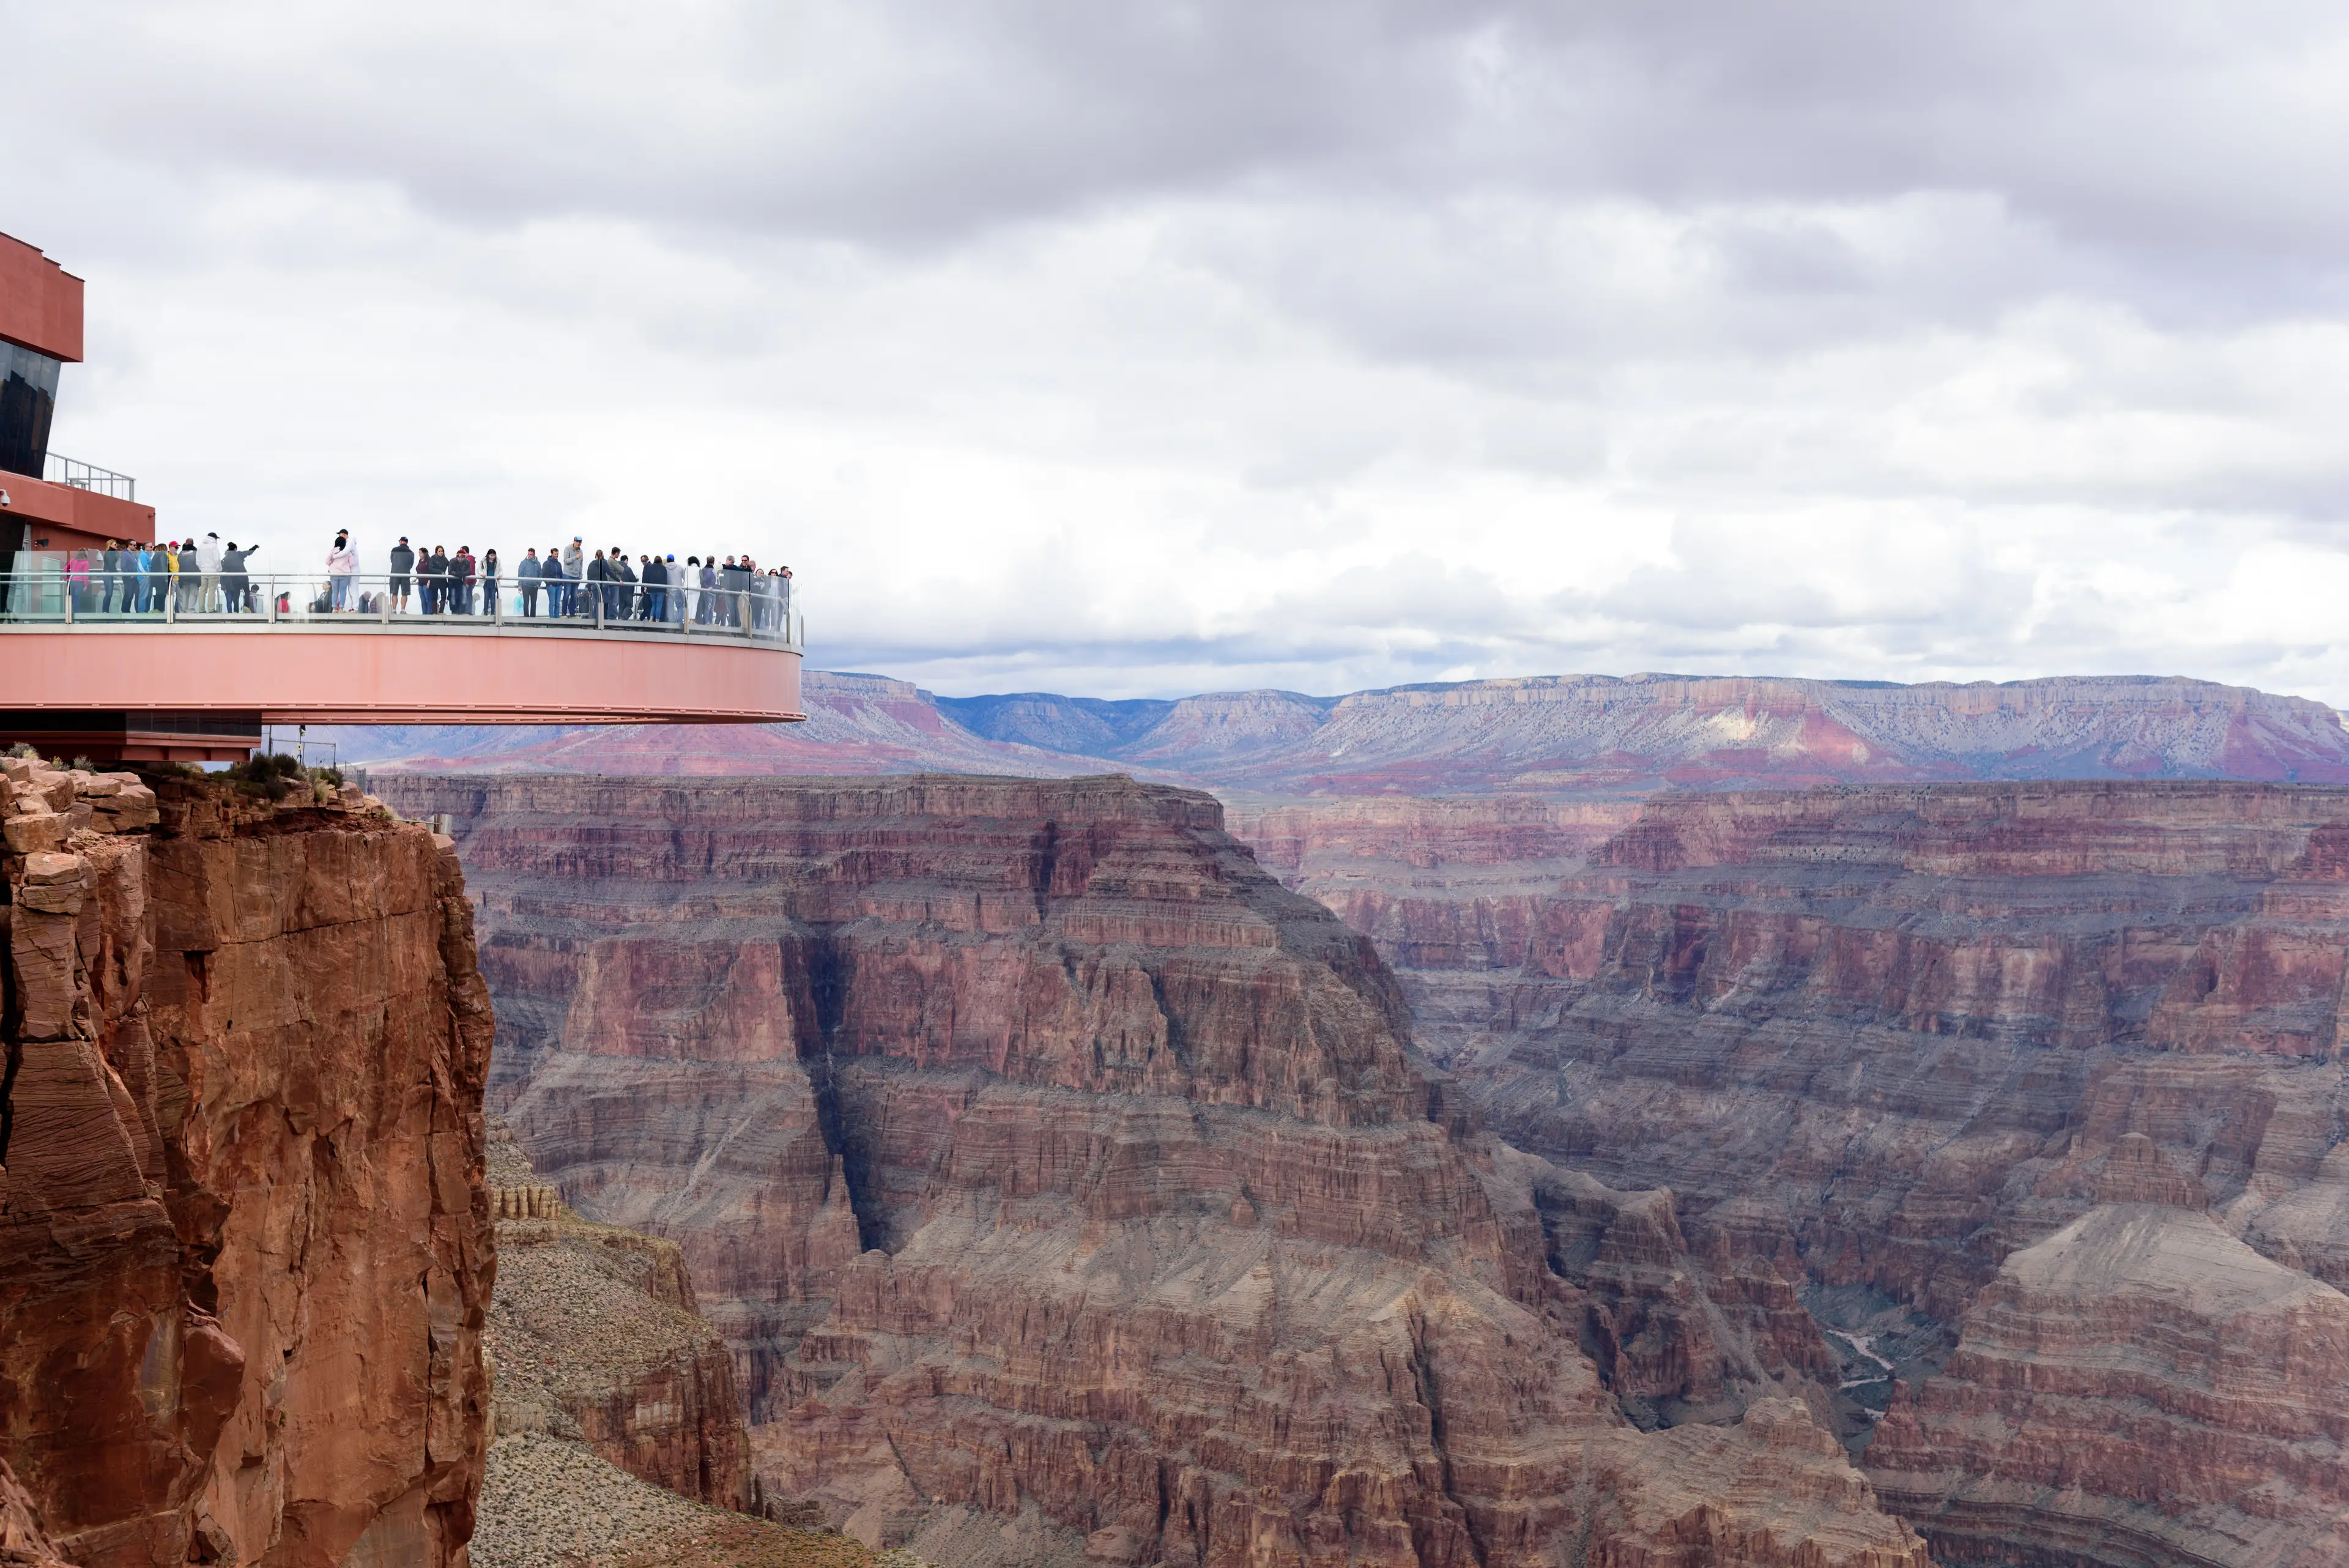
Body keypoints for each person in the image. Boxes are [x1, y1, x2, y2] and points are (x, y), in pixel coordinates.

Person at [221, 541, 258, 613]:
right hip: (243, 576)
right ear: (235, 549)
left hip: (234, 578)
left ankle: (236, 611)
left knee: (236, 594)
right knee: (247, 591)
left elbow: (224, 570)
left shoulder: (226, 559)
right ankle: (246, 606)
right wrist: (256, 546)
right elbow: (249, 552)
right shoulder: (238, 554)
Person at [326, 531, 357, 611]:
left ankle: (334, 608)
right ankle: (341, 608)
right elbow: (352, 563)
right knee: (343, 591)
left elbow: (327, 561)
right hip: (345, 574)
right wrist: (346, 566)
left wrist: (331, 564)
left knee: (335, 591)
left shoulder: (333, 551)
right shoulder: (347, 552)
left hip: (334, 573)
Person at [388, 537, 415, 614]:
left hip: (395, 574)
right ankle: (403, 610)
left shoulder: (394, 550)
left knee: (394, 593)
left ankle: (394, 611)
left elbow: (392, 560)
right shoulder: (411, 552)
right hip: (405, 574)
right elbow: (411, 564)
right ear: (407, 542)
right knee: (405, 593)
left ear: (400, 542)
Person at [198, 532, 224, 611]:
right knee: (212, 590)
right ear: (214, 538)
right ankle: (211, 609)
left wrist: (202, 568)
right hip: (213, 570)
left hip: (203, 571)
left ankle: (201, 609)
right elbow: (217, 559)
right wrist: (219, 570)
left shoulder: (201, 546)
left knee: (203, 590)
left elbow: (198, 560)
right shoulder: (214, 546)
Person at [450, 546, 477, 616]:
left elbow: (470, 571)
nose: (460, 558)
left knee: (466, 596)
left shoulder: (469, 560)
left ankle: (466, 612)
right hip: (457, 582)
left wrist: (466, 580)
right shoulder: (453, 561)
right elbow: (451, 570)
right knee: (457, 596)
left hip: (466, 582)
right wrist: (459, 575)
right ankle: (457, 611)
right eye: (459, 557)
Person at [517, 548, 541, 617]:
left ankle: (533, 618)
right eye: (528, 554)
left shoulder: (538, 563)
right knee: (526, 603)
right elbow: (520, 574)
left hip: (534, 586)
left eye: (531, 554)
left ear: (534, 555)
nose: (529, 555)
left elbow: (540, 574)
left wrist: (539, 583)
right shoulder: (524, 563)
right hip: (526, 585)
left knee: (534, 603)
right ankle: (526, 617)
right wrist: (520, 585)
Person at [480, 549, 500, 616]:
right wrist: (481, 574)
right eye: (491, 556)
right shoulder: (484, 561)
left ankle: (493, 613)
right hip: (486, 582)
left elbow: (500, 570)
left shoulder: (497, 562)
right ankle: (485, 613)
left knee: (493, 599)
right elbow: (479, 569)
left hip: (493, 582)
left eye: (494, 556)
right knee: (486, 598)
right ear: (488, 555)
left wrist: (500, 575)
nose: (492, 557)